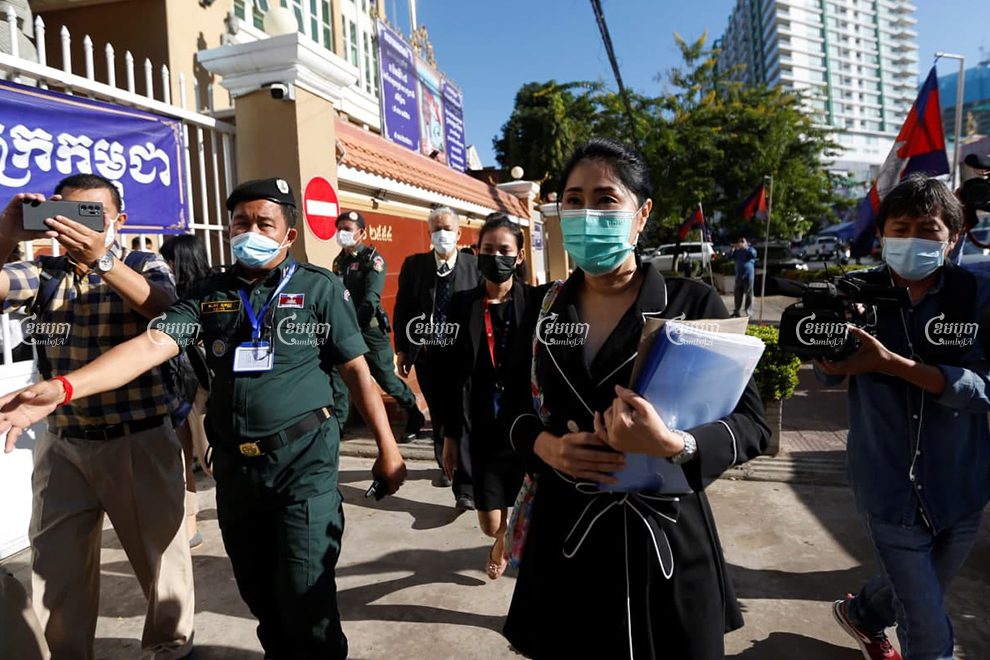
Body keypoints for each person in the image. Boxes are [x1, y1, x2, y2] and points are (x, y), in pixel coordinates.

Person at [0, 177, 408, 660]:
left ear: (289, 235)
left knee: (305, 593)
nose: (249, 231)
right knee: (260, 594)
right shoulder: (211, 293)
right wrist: (64, 387)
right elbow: (153, 342)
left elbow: (356, 368)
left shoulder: (318, 288)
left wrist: (389, 448)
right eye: (240, 222)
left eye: (263, 223)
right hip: (237, 469)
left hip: (303, 465)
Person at [497, 138, 770, 659]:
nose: (586, 214)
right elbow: (510, 411)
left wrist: (676, 443)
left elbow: (752, 424)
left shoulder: (691, 302)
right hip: (566, 538)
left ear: (641, 215)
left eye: (604, 200)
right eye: (573, 201)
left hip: (665, 539)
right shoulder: (541, 307)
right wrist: (549, 448)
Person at [0, 173, 194, 659]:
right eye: (65, 214)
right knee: (56, 566)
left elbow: (165, 310)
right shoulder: (46, 272)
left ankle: (168, 648)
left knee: (161, 561)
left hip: (139, 439)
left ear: (119, 222)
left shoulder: (142, 262)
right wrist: (4, 237)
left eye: (93, 215)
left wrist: (101, 260)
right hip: (64, 442)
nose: (77, 228)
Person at [816, 175, 990, 660]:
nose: (913, 237)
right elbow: (828, 376)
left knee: (920, 589)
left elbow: (986, 388)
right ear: (884, 235)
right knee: (929, 628)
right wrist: (831, 350)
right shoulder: (856, 292)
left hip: (961, 486)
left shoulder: (977, 296)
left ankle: (862, 614)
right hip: (887, 485)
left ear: (953, 237)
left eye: (928, 228)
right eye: (902, 226)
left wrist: (892, 365)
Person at [442, 213, 532, 580]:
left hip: (526, 427)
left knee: (528, 507)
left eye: (504, 249)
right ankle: (500, 538)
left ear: (520, 256)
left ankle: (506, 545)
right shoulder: (461, 304)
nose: (496, 256)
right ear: (476, 252)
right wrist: (449, 436)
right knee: (489, 520)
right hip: (482, 429)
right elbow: (450, 373)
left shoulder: (539, 302)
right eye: (488, 248)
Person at [393, 206, 480, 509]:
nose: (441, 234)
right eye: (436, 229)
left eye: (447, 228)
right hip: (428, 355)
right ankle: (445, 462)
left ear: (458, 233)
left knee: (464, 413)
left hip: (463, 357)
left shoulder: (474, 266)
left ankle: (465, 486)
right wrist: (403, 348)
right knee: (440, 414)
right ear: (430, 234)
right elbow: (402, 307)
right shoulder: (415, 266)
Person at [332, 210, 426, 441]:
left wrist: (353, 325)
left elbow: (371, 298)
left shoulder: (372, 260)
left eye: (348, 229)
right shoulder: (339, 261)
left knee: (385, 377)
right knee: (340, 376)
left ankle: (414, 413)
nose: (342, 234)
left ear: (361, 233)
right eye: (340, 229)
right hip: (346, 330)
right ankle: (338, 425)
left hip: (369, 330)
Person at [160, 233, 214, 548]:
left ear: (178, 261)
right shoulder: (173, 292)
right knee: (184, 460)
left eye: (167, 260)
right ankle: (189, 526)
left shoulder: (206, 292)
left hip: (202, 389)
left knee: (210, 459)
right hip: (182, 389)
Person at [730, 236, 757, 317]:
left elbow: (753, 254)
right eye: (739, 241)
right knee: (737, 294)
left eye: (743, 241)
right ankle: (737, 311)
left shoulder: (750, 250)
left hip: (748, 276)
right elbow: (730, 256)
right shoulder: (738, 252)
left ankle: (748, 311)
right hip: (739, 276)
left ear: (746, 243)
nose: (740, 243)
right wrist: (732, 250)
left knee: (749, 294)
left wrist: (745, 247)